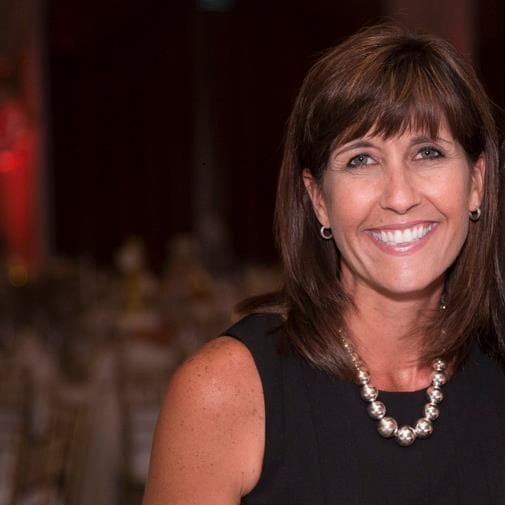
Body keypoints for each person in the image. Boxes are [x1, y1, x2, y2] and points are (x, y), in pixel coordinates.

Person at [143, 23, 505, 505]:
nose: (399, 196)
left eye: (428, 153)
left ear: (476, 183)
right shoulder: (225, 392)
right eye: (361, 160)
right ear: (318, 200)